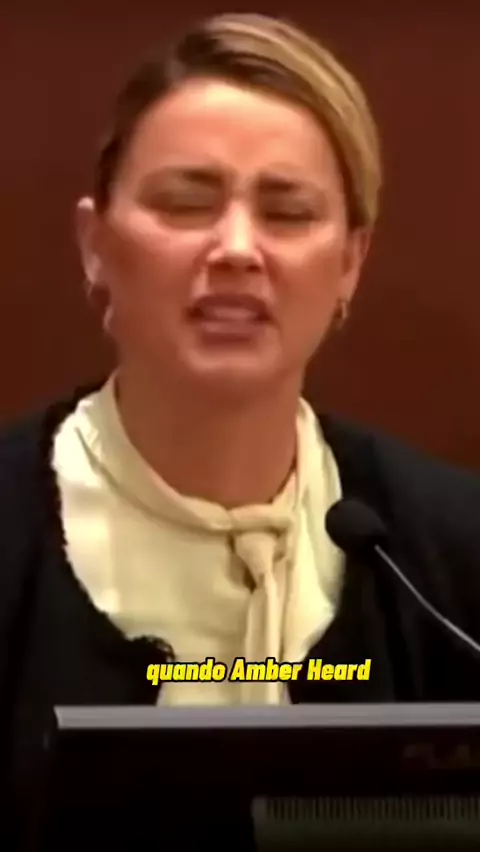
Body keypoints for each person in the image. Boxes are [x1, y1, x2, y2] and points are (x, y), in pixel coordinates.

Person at [2, 10, 480, 838]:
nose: (235, 248)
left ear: (350, 262)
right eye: (187, 204)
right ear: (95, 245)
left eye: (287, 213)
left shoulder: (449, 556)